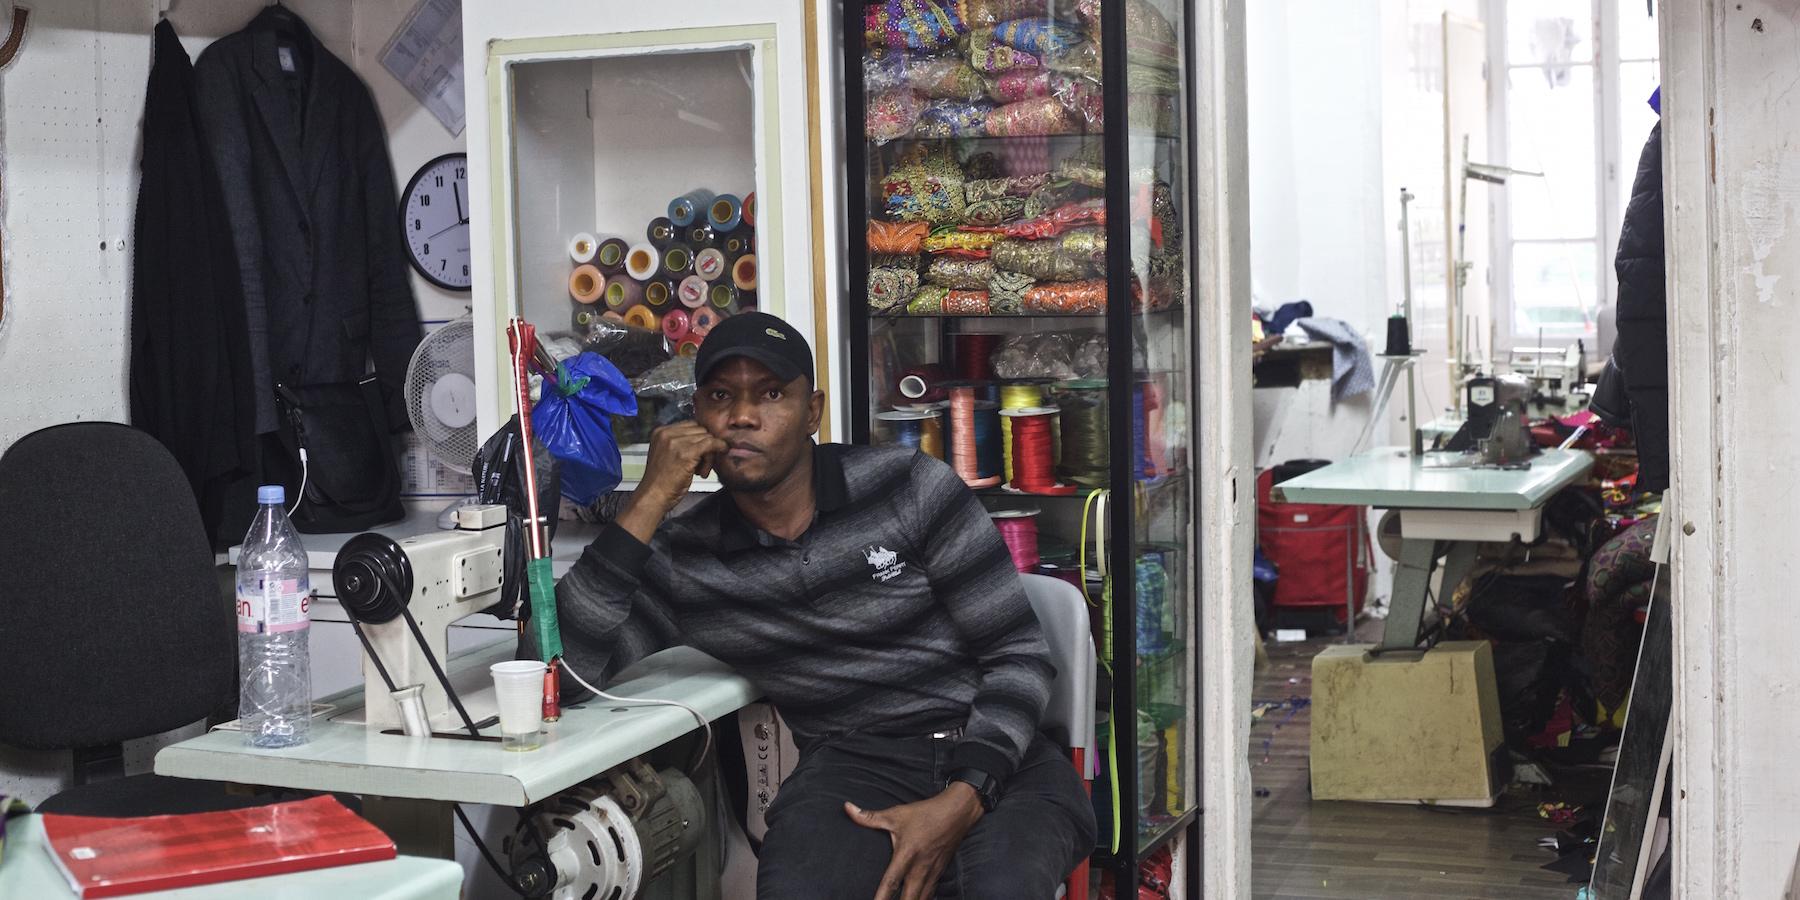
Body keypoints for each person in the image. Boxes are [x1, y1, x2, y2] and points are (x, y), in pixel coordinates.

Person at [554, 312, 1097, 899]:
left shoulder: (908, 486)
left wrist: (965, 795)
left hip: (999, 757)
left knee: (999, 889)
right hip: (852, 767)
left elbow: (1018, 655)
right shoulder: (687, 557)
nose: (741, 416)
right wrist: (648, 502)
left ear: (811, 411)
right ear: (697, 417)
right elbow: (559, 674)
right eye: (719, 396)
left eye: (770, 394)